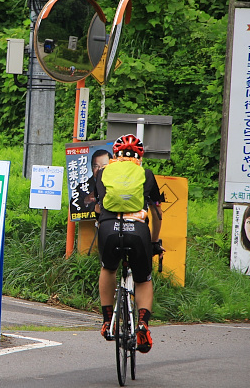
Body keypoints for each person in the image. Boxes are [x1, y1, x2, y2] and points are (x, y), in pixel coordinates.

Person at [93, 134, 163, 354]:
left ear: (116, 155)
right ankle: (142, 323)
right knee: (143, 279)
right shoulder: (147, 174)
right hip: (138, 231)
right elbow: (157, 212)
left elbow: (97, 206)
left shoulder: (103, 172)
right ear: (139, 157)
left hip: (108, 229)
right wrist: (154, 243)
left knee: (108, 267)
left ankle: (107, 321)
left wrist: (102, 222)